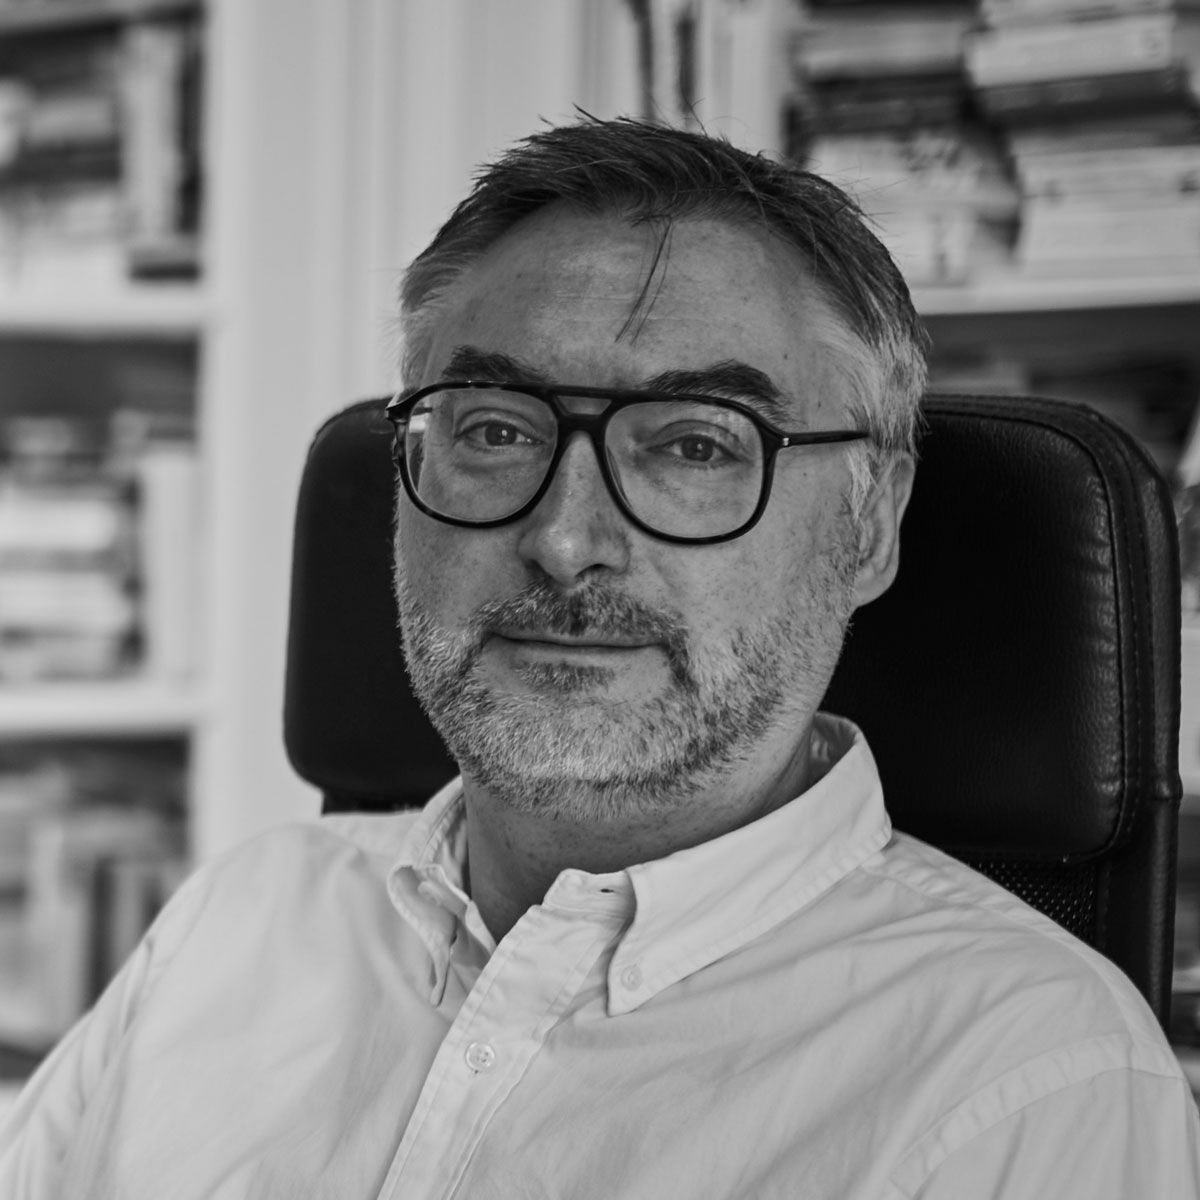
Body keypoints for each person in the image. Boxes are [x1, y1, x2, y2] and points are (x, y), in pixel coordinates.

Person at [2, 116, 1198, 1199]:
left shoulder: (1030, 1079)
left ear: (872, 525)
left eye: (694, 446)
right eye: (494, 430)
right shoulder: (241, 920)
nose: (566, 540)